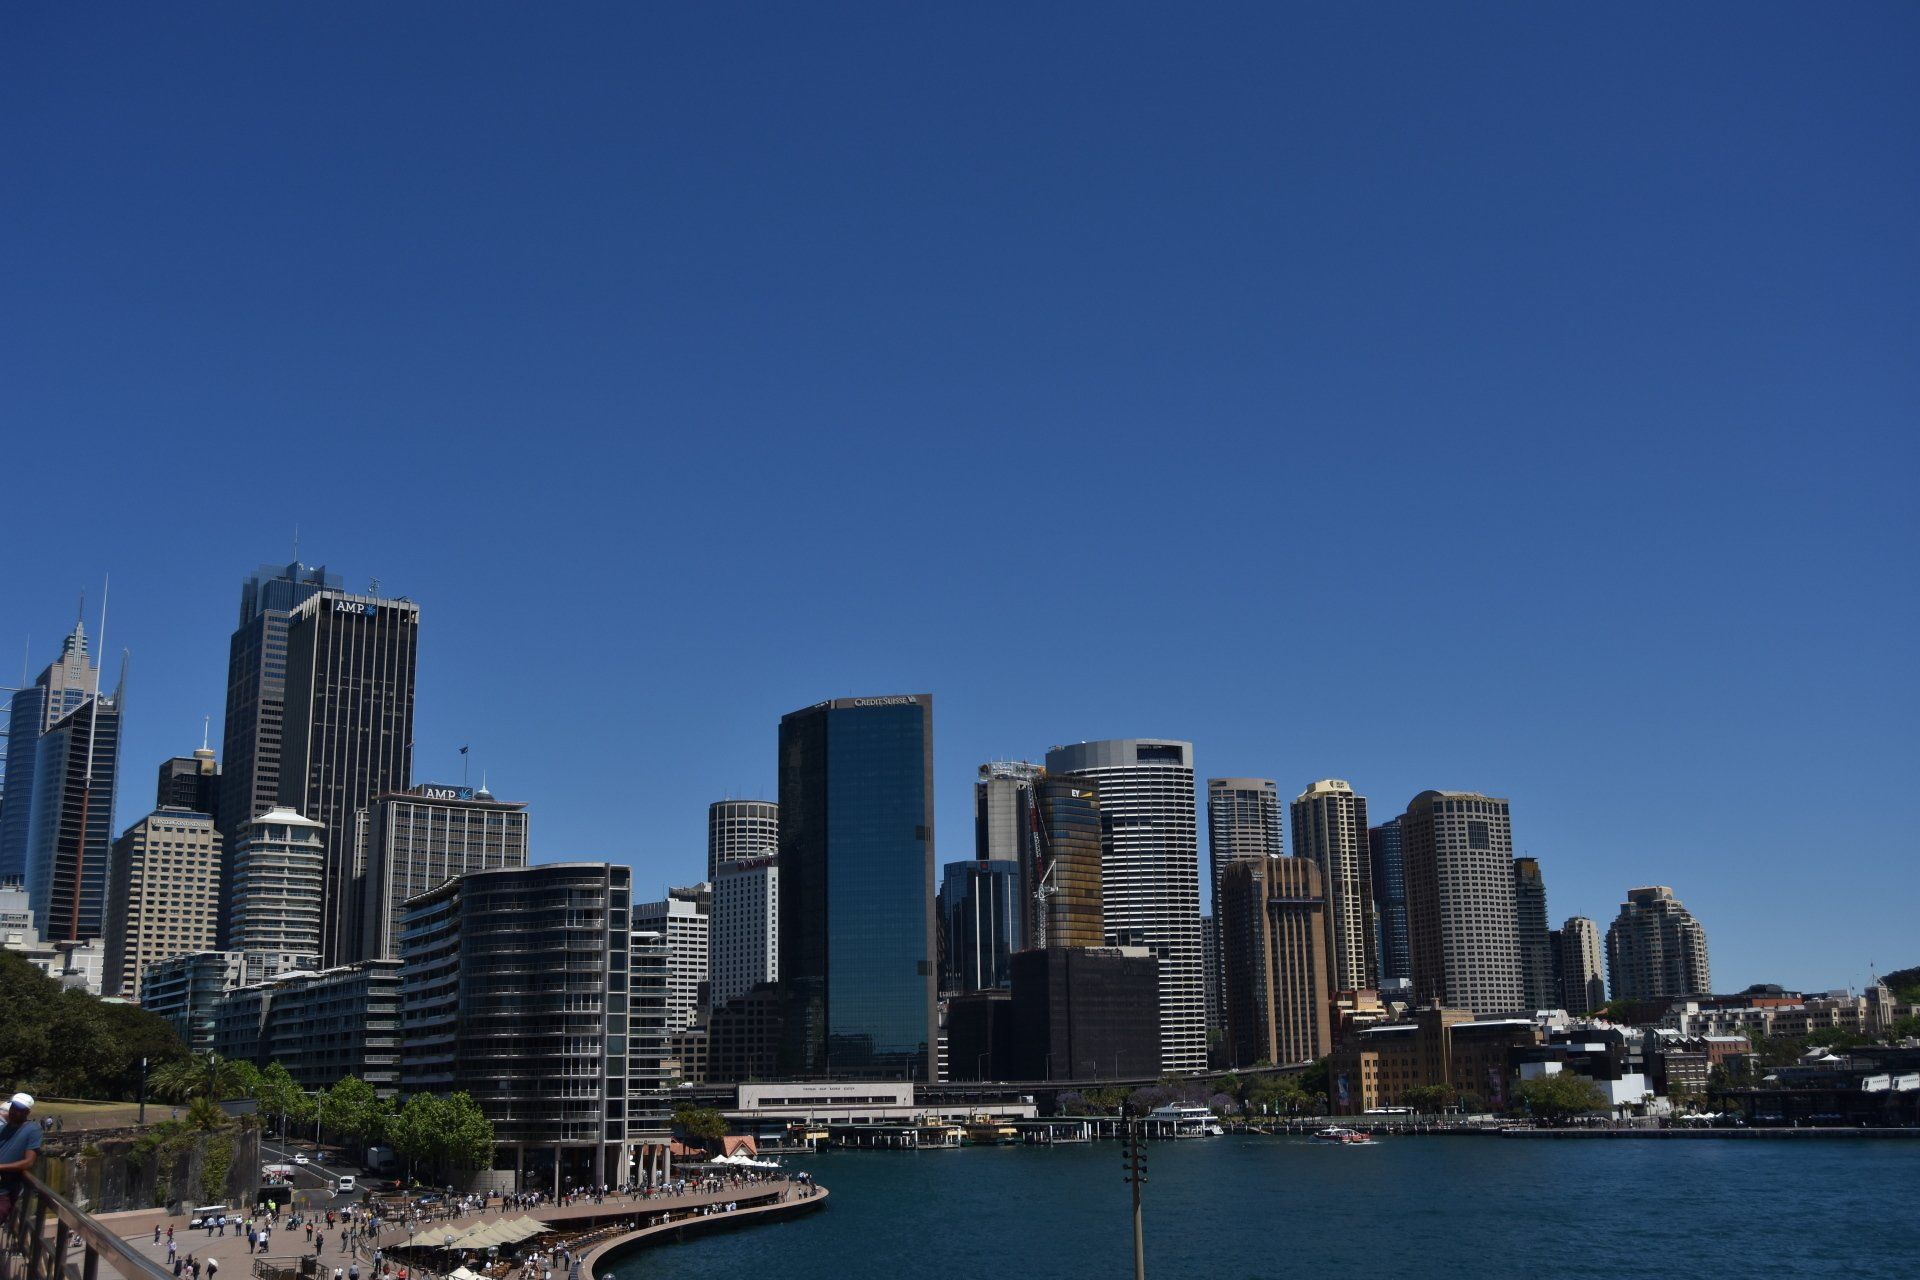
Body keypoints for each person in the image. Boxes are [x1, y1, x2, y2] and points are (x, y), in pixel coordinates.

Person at [0, 1093, 44, 1221]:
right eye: (13, 1107)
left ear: (27, 1112)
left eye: (19, 1110)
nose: (14, 1111)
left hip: (4, 1191)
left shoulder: (32, 1130)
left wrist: (1, 1167)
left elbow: (28, 1162)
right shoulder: (3, 1129)